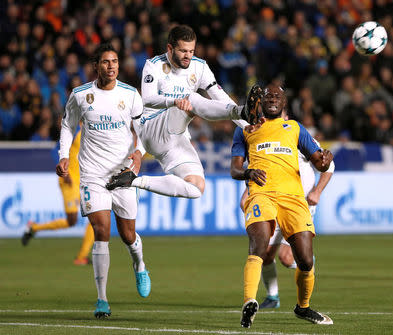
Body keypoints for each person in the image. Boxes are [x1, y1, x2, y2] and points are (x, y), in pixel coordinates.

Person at [105, 25, 261, 198]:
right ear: (170, 48)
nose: (188, 56)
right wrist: (174, 101)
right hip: (152, 129)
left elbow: (220, 96)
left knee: (196, 187)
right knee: (191, 98)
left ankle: (133, 181)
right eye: (183, 51)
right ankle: (242, 111)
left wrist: (245, 125)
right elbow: (147, 100)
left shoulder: (199, 67)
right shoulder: (154, 65)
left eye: (191, 51)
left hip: (176, 138)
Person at [56, 42, 150, 319]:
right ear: (96, 65)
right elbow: (67, 126)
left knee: (128, 235)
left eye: (115, 61)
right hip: (93, 174)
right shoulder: (80, 95)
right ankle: (102, 299)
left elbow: (143, 131)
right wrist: (64, 156)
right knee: (101, 231)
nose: (111, 66)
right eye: (106, 62)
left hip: (123, 173)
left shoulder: (131, 95)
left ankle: (140, 264)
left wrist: (138, 153)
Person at [230, 84, 334, 327]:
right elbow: (235, 169)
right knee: (259, 245)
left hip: (293, 199)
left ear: (284, 103)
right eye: (268, 96)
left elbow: (320, 162)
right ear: (261, 102)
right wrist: (248, 172)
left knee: (305, 260)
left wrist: (325, 159)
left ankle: (303, 307)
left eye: (278, 96)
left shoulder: (295, 128)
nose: (273, 98)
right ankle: (249, 302)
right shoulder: (246, 130)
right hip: (261, 194)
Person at [236, 131, 335, 309]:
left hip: (299, 204)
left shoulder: (297, 136)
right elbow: (264, 171)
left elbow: (330, 165)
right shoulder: (266, 141)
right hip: (273, 201)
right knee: (265, 255)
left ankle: (307, 263)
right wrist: (248, 194)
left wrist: (317, 192)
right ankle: (273, 297)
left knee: (287, 258)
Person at [21, 128, 95, 266]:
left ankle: (81, 257)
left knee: (95, 216)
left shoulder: (92, 128)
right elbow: (55, 150)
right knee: (72, 220)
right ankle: (34, 228)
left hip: (85, 181)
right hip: (69, 180)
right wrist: (63, 170)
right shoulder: (75, 130)